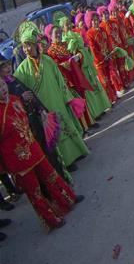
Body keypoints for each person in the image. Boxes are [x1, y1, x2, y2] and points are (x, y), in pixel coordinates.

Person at [0, 78, 83, 231]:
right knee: (35, 192)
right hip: (18, 161)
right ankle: (51, 220)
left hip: (34, 148)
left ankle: (68, 200)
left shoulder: (14, 99)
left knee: (52, 176)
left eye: (3, 85)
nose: (3, 89)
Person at [13, 22, 90, 169]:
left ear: (36, 44)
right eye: (24, 46)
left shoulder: (48, 61)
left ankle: (76, 153)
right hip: (43, 106)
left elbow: (60, 81)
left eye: (29, 45)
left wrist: (67, 98)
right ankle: (65, 163)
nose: (27, 49)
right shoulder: (21, 71)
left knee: (65, 126)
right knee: (53, 134)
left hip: (57, 99)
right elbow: (15, 89)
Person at [44, 25, 95, 130]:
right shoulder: (50, 51)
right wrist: (70, 62)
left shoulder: (65, 44)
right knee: (75, 103)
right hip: (67, 80)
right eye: (55, 33)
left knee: (83, 98)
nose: (58, 34)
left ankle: (90, 122)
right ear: (50, 36)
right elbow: (57, 67)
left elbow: (76, 53)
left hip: (76, 75)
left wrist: (78, 56)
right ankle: (83, 127)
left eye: (59, 32)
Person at [61, 23, 112, 120]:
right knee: (88, 89)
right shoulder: (65, 39)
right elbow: (70, 52)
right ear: (63, 28)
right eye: (65, 24)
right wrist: (77, 55)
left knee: (94, 84)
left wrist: (85, 48)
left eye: (68, 22)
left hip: (86, 61)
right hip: (81, 66)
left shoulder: (76, 33)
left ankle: (101, 107)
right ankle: (95, 113)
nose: (68, 25)